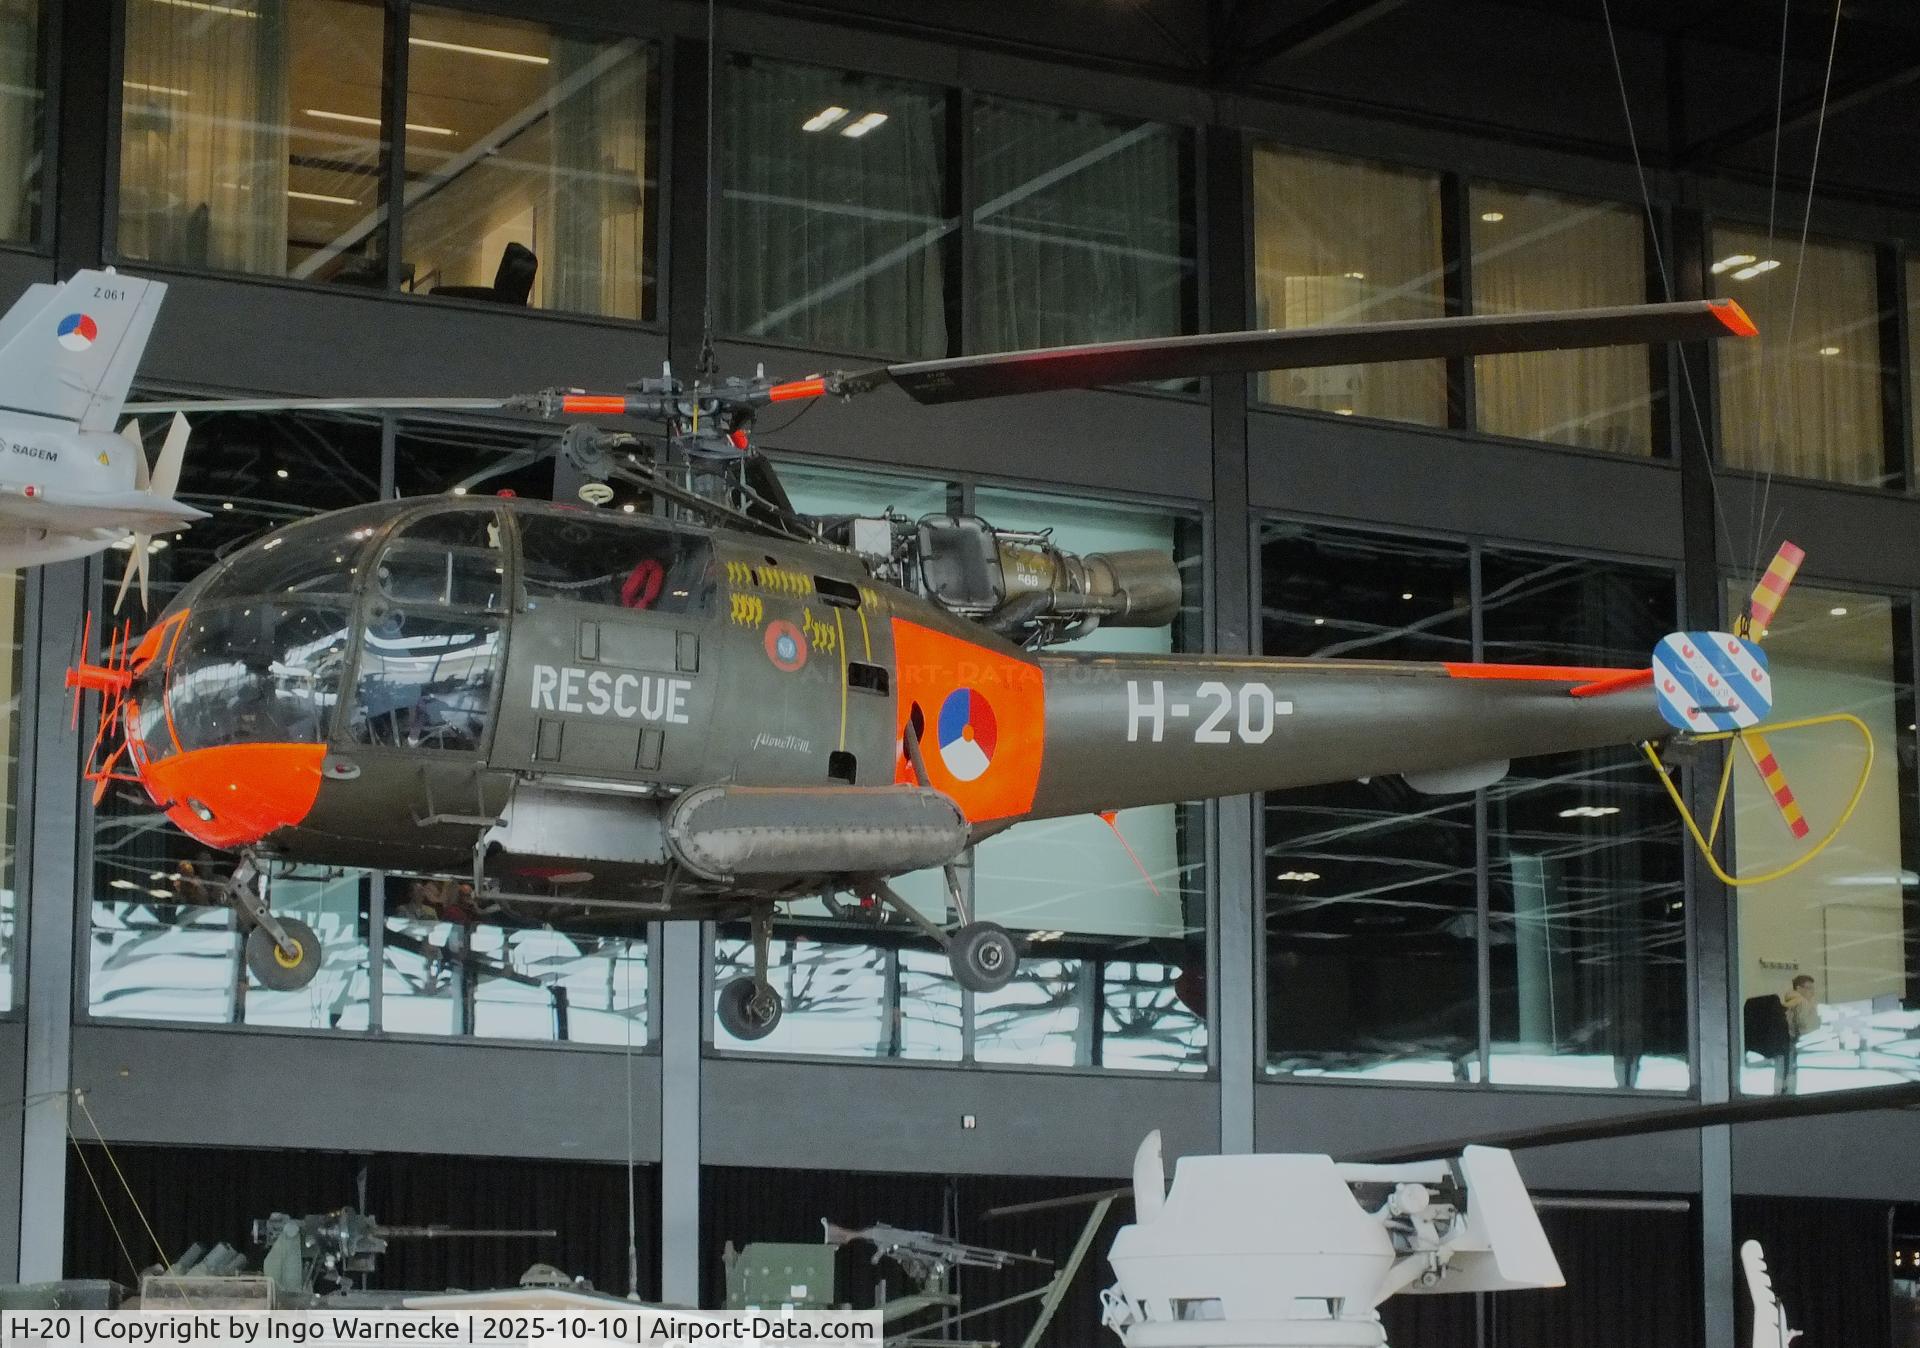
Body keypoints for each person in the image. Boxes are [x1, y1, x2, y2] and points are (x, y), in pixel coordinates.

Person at [1780, 974, 1820, 1092]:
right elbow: (1804, 1026)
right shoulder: (1801, 1001)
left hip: (1789, 1042)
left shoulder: (1795, 1000)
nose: (1812, 992)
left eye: (1813, 988)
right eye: (1809, 988)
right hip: (1798, 1042)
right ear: (1798, 988)